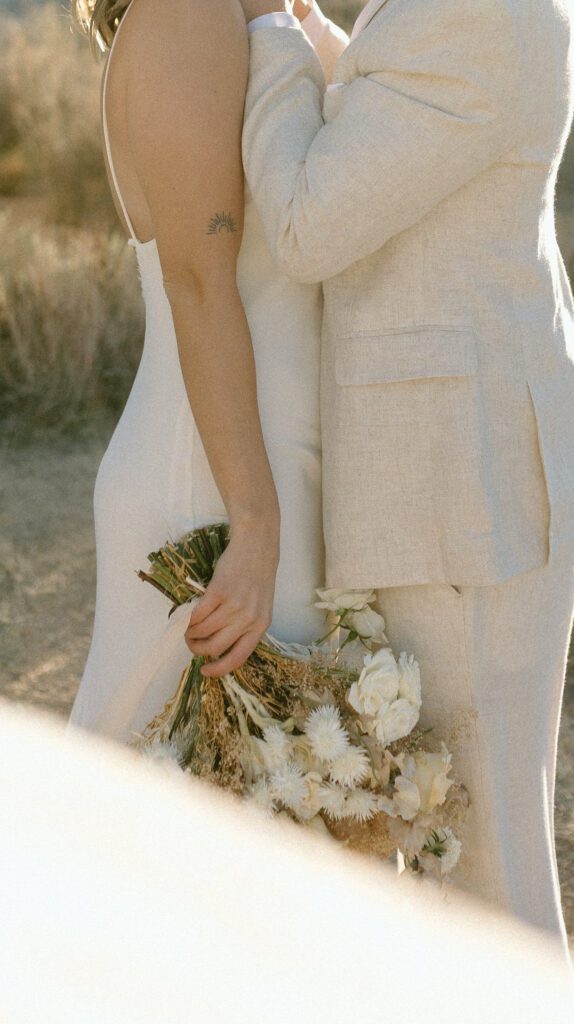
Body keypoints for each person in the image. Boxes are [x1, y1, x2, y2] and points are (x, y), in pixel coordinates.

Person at [237, 0, 574, 967]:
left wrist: (269, 31)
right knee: (468, 828)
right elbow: (398, 109)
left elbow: (310, 226)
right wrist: (315, 30)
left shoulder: (475, 14)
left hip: (460, 470)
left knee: (485, 863)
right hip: (467, 440)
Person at [66, 0, 347, 743]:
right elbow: (197, 280)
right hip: (208, 488)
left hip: (254, 465)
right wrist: (253, 526)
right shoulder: (185, 12)